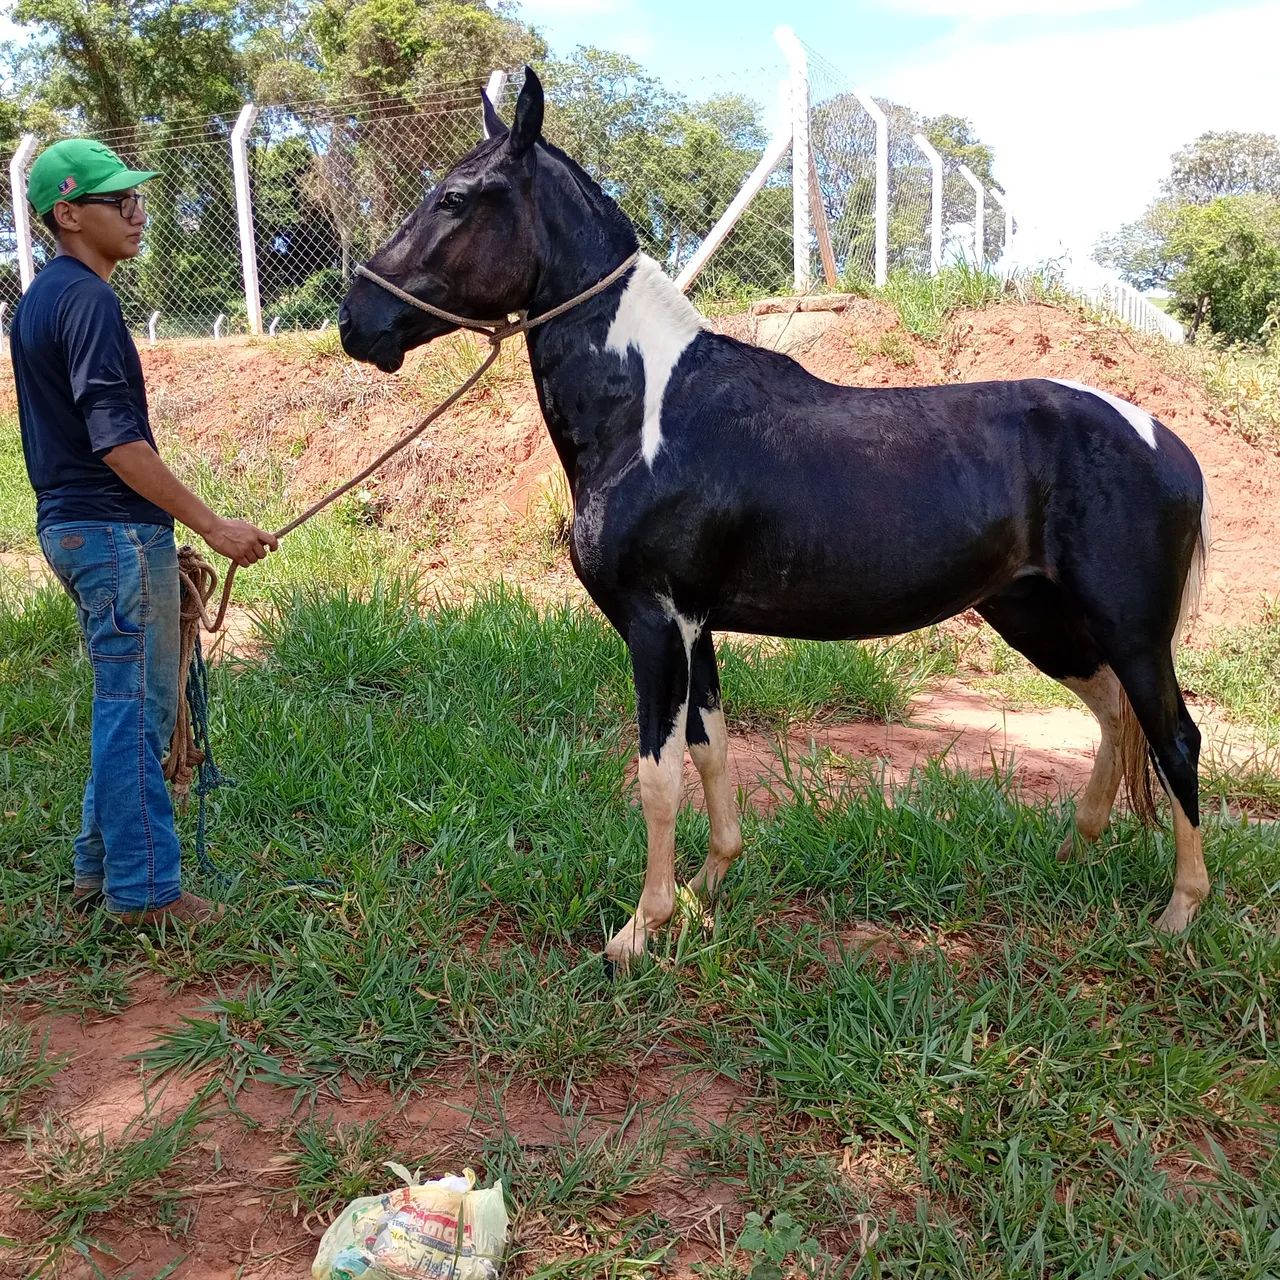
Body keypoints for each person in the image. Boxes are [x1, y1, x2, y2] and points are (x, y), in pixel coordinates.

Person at [10, 137, 278, 925]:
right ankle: (147, 892)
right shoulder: (88, 301)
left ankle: (99, 871)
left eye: (137, 196)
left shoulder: (43, 299)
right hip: (115, 531)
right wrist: (215, 527)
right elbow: (119, 443)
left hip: (72, 526)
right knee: (138, 713)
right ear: (68, 213)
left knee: (122, 703)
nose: (137, 211)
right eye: (117, 200)